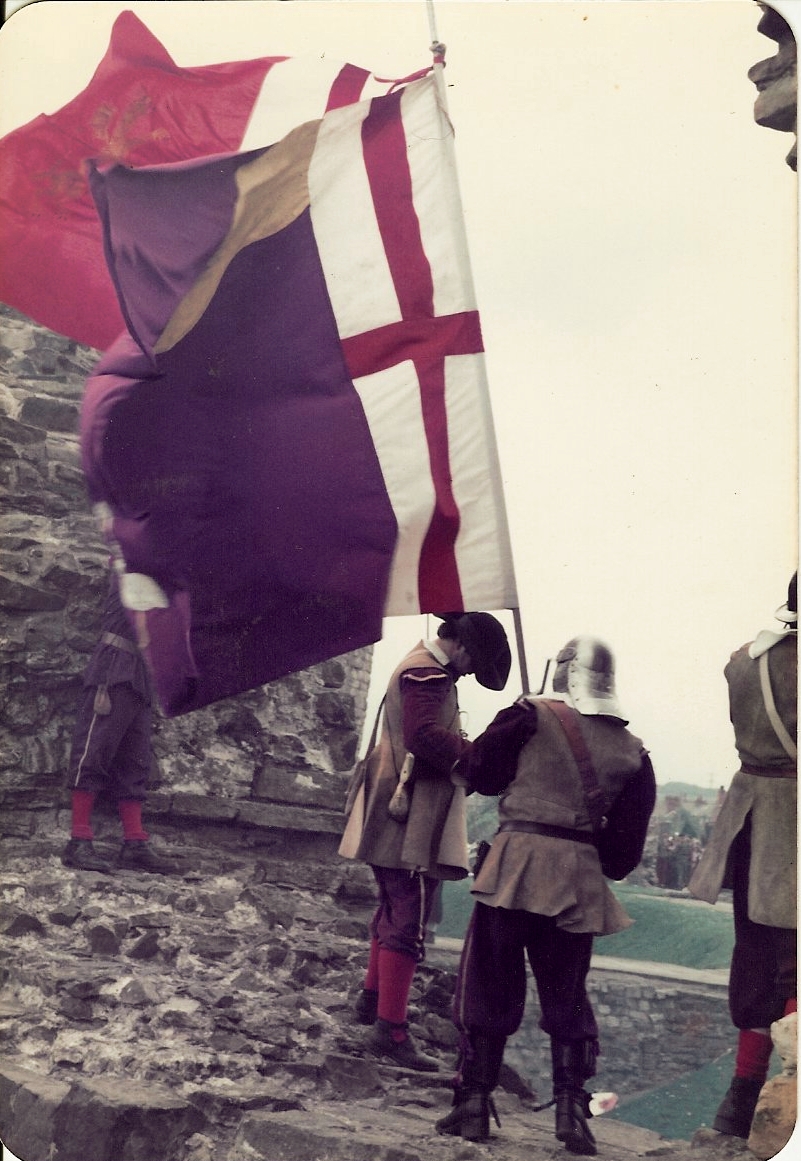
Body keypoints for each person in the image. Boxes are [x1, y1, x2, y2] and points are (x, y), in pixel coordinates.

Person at [437, 636, 656, 1153]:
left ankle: (473, 1103)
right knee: (567, 992)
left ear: (563, 671)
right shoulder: (633, 751)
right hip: (577, 881)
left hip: (513, 867)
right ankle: (572, 1109)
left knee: (489, 984)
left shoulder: (527, 716)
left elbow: (478, 774)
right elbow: (622, 858)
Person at [338, 612, 512, 1071]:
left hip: (401, 802)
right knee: (409, 915)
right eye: (475, 663)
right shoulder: (427, 674)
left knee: (393, 907)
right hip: (409, 811)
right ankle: (390, 1031)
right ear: (464, 646)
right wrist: (479, 758)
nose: (471, 673)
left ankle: (372, 1001)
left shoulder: (422, 666)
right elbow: (423, 737)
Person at [689, 574, 797, 1140]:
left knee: (756, 963)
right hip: (793, 826)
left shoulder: (743, 662)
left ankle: (739, 1100)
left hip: (751, 822)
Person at [62, 566, 169, 874]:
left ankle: (134, 842)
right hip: (114, 667)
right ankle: (78, 841)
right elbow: (141, 618)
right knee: (93, 750)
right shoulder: (128, 560)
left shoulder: (160, 572)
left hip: (140, 674)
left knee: (136, 760)